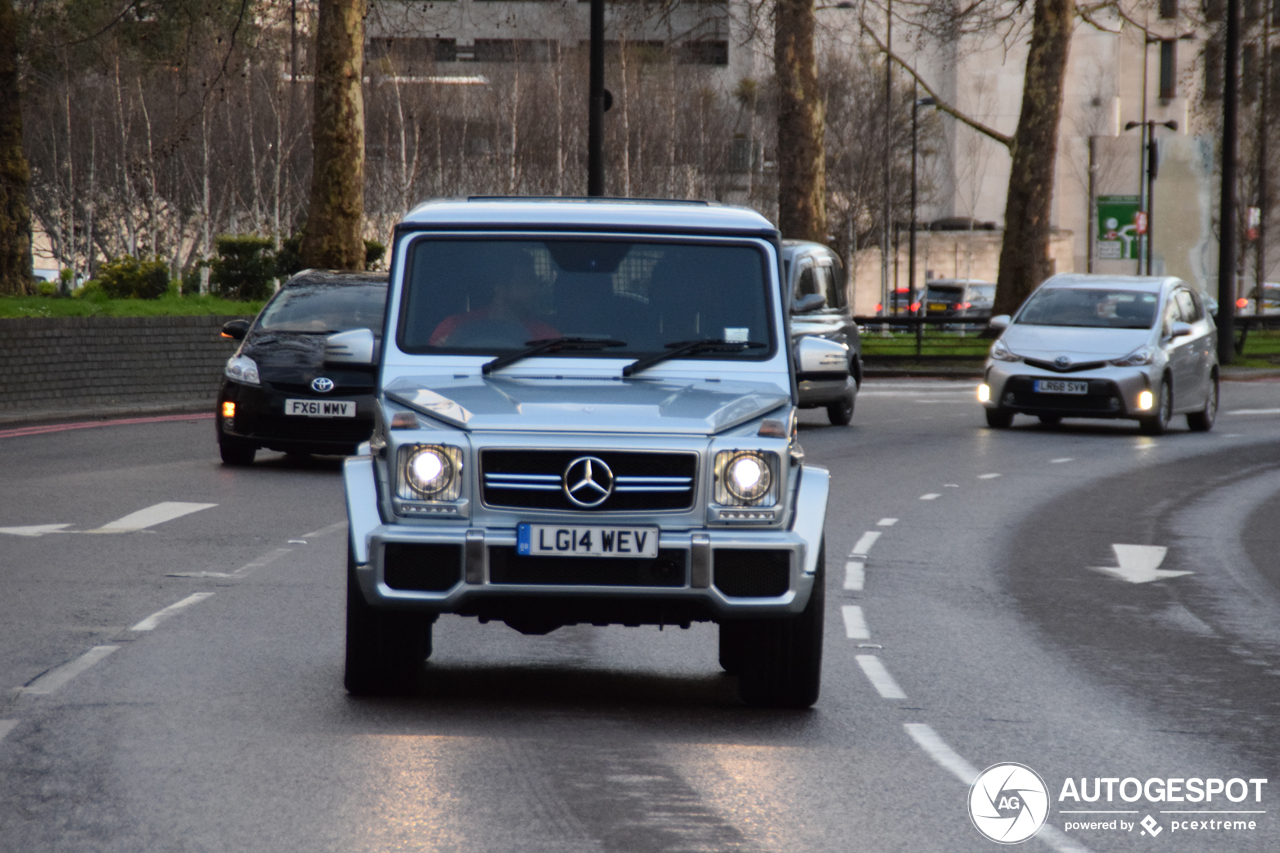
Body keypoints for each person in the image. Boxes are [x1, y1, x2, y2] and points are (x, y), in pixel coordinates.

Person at [429, 266, 560, 346]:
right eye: (524, 283)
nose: (534, 290)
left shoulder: (547, 336)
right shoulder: (452, 328)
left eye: (534, 282)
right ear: (500, 289)